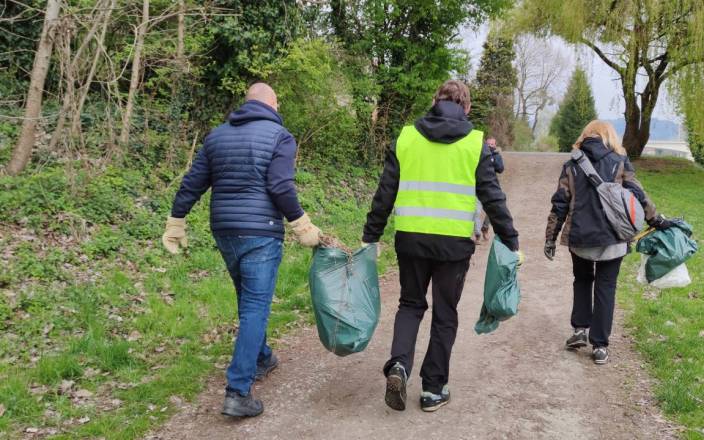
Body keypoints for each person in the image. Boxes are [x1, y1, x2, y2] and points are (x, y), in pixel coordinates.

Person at [161, 82, 322, 417]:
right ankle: (238, 390)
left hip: (225, 231)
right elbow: (279, 185)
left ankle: (262, 356)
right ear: (273, 104)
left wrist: (176, 220)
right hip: (260, 233)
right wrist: (301, 224)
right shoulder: (280, 136)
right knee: (255, 307)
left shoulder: (217, 135)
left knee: (248, 300)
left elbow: (194, 181)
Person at [362, 80, 520, 412]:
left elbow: (385, 192)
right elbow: (492, 197)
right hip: (454, 246)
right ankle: (433, 389)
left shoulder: (407, 137)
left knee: (410, 304)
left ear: (434, 101)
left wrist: (371, 235)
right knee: (445, 313)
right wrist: (511, 240)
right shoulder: (476, 145)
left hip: (411, 239)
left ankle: (399, 366)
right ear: (467, 108)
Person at [543, 120, 671, 365]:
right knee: (606, 287)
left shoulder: (572, 165)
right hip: (613, 237)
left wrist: (550, 237)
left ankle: (580, 329)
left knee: (582, 280)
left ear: (585, 136)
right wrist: (656, 219)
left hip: (580, 237)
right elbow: (638, 194)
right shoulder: (620, 162)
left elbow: (560, 203)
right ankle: (600, 345)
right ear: (609, 137)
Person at [480, 137, 504, 241]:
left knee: (491, 208)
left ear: (495, 146)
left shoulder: (497, 156)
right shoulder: (479, 154)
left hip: (490, 184)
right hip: (477, 183)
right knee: (475, 210)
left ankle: (485, 228)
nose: (490, 146)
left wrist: (492, 160)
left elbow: (500, 169)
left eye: (492, 144)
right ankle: (475, 233)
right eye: (488, 144)